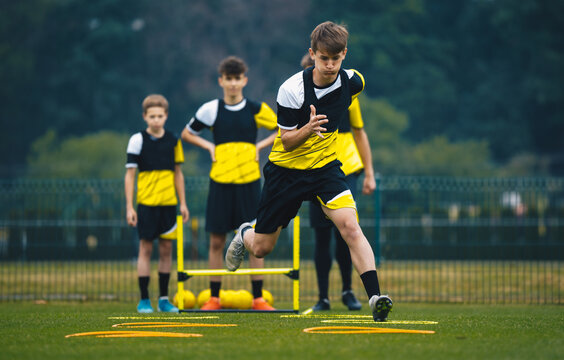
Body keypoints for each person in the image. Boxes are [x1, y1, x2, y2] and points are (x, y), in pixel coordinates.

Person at [225, 22, 393, 321]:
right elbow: (286, 142)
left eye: (336, 58)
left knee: (351, 228)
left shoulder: (355, 82)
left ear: (344, 54)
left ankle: (376, 298)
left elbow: (351, 117)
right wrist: (309, 128)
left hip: (326, 168)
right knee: (262, 249)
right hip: (286, 172)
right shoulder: (291, 90)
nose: (329, 65)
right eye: (323, 58)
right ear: (312, 54)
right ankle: (244, 232)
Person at [181, 56, 278, 311]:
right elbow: (187, 133)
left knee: (255, 241)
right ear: (221, 81)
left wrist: (260, 145)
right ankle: (214, 297)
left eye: (237, 79)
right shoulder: (210, 109)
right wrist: (208, 145)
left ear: (244, 81)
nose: (233, 84)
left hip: (249, 181)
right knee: (216, 241)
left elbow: (282, 128)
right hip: (220, 182)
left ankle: (258, 298)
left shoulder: (257, 109)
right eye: (229, 79)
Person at [299, 54, 376, 311]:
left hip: (347, 169)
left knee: (347, 232)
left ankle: (348, 291)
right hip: (316, 168)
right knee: (321, 235)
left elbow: (359, 133)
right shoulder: (301, 98)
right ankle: (323, 297)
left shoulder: (349, 95)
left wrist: (369, 173)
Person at [125, 94, 190, 313]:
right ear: (144, 117)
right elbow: (130, 176)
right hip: (146, 205)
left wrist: (183, 203)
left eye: (160, 116)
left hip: (168, 205)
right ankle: (144, 300)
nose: (156, 120)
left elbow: (178, 174)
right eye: (151, 116)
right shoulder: (137, 140)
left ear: (166, 116)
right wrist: (129, 207)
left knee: (166, 251)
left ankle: (164, 299)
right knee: (145, 249)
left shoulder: (173, 141)